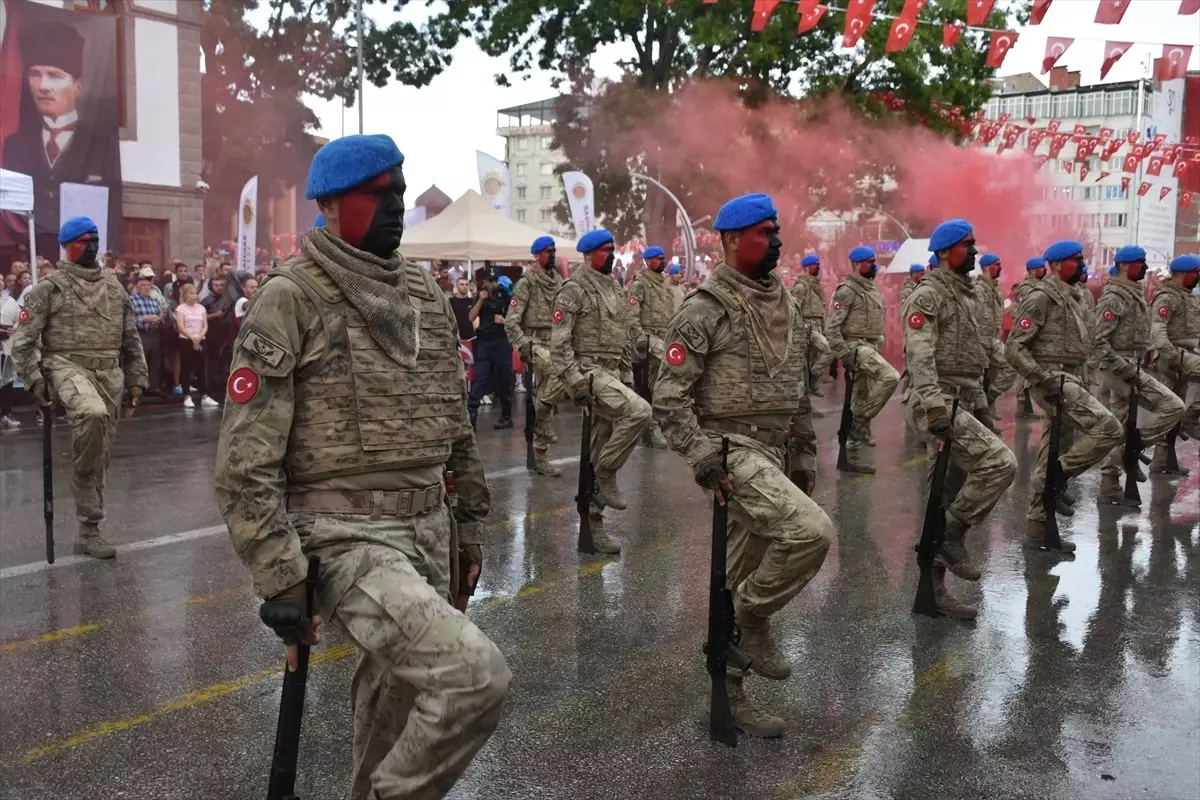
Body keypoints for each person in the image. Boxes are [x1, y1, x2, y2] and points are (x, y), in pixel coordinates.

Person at [213, 134, 509, 800]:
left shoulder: (426, 294)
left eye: (401, 191)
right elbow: (245, 460)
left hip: (430, 527)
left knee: (396, 707)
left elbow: (452, 419)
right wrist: (279, 572)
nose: (399, 206)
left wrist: (470, 528)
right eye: (380, 194)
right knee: (472, 675)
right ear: (331, 204)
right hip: (346, 537)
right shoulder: (291, 298)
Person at [654, 192, 833, 737]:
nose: (775, 240)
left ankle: (727, 699)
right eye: (763, 232)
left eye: (776, 230)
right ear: (732, 240)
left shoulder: (787, 302)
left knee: (734, 578)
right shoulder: (705, 307)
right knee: (810, 533)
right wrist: (704, 457)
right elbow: (669, 397)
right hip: (733, 452)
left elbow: (800, 390)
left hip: (774, 451)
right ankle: (754, 622)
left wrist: (803, 457)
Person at [11, 216, 147, 558]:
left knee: (98, 454)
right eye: (85, 241)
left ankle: (89, 530)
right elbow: (23, 342)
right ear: (68, 245)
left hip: (110, 374)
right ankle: (86, 502)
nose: (93, 247)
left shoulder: (114, 286)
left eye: (96, 240)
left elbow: (131, 336)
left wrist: (137, 378)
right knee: (92, 413)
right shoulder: (49, 288)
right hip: (67, 366)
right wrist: (34, 380)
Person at [902, 220, 1017, 619]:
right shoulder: (930, 294)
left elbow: (975, 359)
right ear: (946, 251)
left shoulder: (967, 294)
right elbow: (919, 355)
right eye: (966, 246)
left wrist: (982, 404)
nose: (973, 252)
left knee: (944, 496)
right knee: (1000, 463)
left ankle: (933, 593)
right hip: (941, 403)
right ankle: (951, 535)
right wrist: (935, 409)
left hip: (966, 400)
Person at [1006, 240, 1122, 551]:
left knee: (1054, 446)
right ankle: (1052, 479)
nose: (1082, 265)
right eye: (1075, 260)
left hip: (1074, 379)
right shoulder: (1040, 297)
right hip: (1052, 380)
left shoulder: (1078, 297)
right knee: (1109, 428)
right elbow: (1014, 347)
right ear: (1056, 265)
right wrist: (1042, 380)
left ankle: (1037, 526)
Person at [551, 228, 652, 553]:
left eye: (612, 249)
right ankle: (606, 473)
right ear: (589, 254)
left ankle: (595, 527)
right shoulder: (573, 289)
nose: (611, 255)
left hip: (611, 373)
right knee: (640, 412)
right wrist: (575, 382)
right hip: (588, 370)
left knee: (601, 444)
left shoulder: (615, 288)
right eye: (605, 250)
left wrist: (626, 378)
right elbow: (559, 343)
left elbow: (622, 338)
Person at [1, 21, 122, 255]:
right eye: (35, 74)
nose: (43, 86)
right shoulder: (15, 144)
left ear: (78, 85)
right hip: (32, 251)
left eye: (55, 76)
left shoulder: (100, 143)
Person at [1093, 246, 1185, 504]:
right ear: (1124, 266)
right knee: (1172, 406)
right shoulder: (1114, 297)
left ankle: (1111, 481)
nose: (1144, 268)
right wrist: (1122, 367)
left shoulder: (1133, 294)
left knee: (1119, 427)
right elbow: (1098, 341)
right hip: (1119, 369)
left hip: (1132, 367)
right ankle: (1128, 452)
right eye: (1140, 263)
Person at [824, 245, 900, 473]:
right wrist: (844, 355)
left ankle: (853, 445)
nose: (874, 265)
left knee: (860, 396)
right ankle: (861, 421)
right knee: (890, 377)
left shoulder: (871, 290)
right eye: (869, 261)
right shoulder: (846, 291)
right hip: (856, 347)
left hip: (872, 346)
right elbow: (832, 328)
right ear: (857, 265)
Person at [506, 236, 569, 476]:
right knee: (556, 371)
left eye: (554, 250)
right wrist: (522, 344)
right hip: (534, 341)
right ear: (537, 255)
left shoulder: (559, 280)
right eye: (547, 251)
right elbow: (511, 321)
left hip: (555, 341)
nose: (552, 255)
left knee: (549, 394)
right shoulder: (527, 282)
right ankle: (542, 422)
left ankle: (541, 454)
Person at [1148, 253, 1200, 474]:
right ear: (1182, 275)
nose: (1197, 278)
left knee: (1172, 408)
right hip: (1173, 357)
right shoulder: (1167, 297)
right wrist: (1172, 355)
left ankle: (1163, 461)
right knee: (1172, 408)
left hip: (1187, 353)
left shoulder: (1189, 297)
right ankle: (1191, 419)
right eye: (1195, 274)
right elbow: (1158, 331)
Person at [628, 245, 674, 448]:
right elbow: (631, 312)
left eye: (663, 258)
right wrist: (638, 337)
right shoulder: (640, 283)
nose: (662, 262)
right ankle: (649, 429)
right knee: (649, 386)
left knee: (659, 385)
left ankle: (656, 425)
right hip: (648, 339)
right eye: (658, 258)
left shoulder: (665, 283)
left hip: (664, 337)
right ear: (648, 261)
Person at [467, 267, 516, 429]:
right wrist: (481, 300)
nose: (492, 284)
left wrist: (505, 321)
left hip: (502, 341)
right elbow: (471, 317)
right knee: (480, 377)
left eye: (495, 281)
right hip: (485, 343)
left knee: (505, 379)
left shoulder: (506, 295)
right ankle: (471, 412)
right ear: (485, 282)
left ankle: (506, 415)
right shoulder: (481, 296)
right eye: (490, 281)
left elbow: (517, 317)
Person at [975, 252, 1017, 426]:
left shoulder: (996, 291)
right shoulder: (977, 290)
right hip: (980, 342)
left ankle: (989, 400)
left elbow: (999, 314)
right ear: (986, 267)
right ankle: (980, 417)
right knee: (976, 383)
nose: (999, 268)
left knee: (1009, 366)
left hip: (993, 340)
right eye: (996, 265)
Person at [790, 254, 833, 397]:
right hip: (807, 328)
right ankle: (813, 379)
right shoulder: (801, 286)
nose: (817, 267)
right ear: (807, 267)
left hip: (818, 326)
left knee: (810, 363)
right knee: (828, 351)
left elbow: (822, 310)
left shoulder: (817, 286)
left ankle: (808, 402)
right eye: (814, 265)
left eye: (818, 264)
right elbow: (793, 309)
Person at [1013, 257, 1047, 420]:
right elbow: (1022, 312)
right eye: (1041, 268)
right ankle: (1021, 407)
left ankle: (1026, 408)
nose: (1044, 270)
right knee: (1024, 370)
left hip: (1035, 334)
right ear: (1033, 271)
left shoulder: (1039, 287)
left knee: (1029, 369)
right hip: (1026, 332)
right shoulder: (1025, 289)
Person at [173, 283, 217, 408]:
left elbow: (205, 325)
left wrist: (199, 337)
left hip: (201, 339)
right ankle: (187, 396)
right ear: (185, 295)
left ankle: (204, 396)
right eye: (191, 293)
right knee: (186, 368)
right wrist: (192, 338)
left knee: (202, 369)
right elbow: (180, 326)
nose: (194, 296)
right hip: (186, 340)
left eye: (195, 293)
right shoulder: (181, 308)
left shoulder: (201, 308)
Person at [131, 267, 165, 395]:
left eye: (148, 285)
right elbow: (129, 319)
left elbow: (160, 314)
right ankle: (138, 387)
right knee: (140, 362)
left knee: (155, 362)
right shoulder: (132, 300)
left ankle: (154, 387)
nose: (146, 287)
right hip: (141, 334)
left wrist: (159, 318)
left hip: (154, 334)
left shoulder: (154, 301)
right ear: (137, 287)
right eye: (143, 285)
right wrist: (145, 319)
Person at [0, 286, 20, 428]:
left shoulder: (10, 301)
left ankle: (6, 413)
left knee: (7, 381)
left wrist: (15, 327)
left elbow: (20, 318)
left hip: (5, 346)